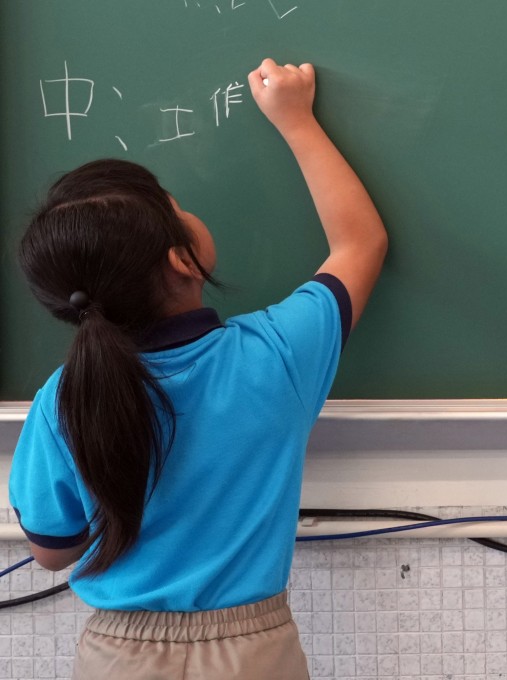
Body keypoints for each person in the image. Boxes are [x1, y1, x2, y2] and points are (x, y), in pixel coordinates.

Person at [9, 58, 387, 679]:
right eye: (177, 208)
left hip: (117, 655)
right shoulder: (277, 354)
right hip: (253, 654)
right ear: (184, 260)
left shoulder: (64, 401)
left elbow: (53, 552)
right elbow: (360, 243)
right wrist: (296, 121)